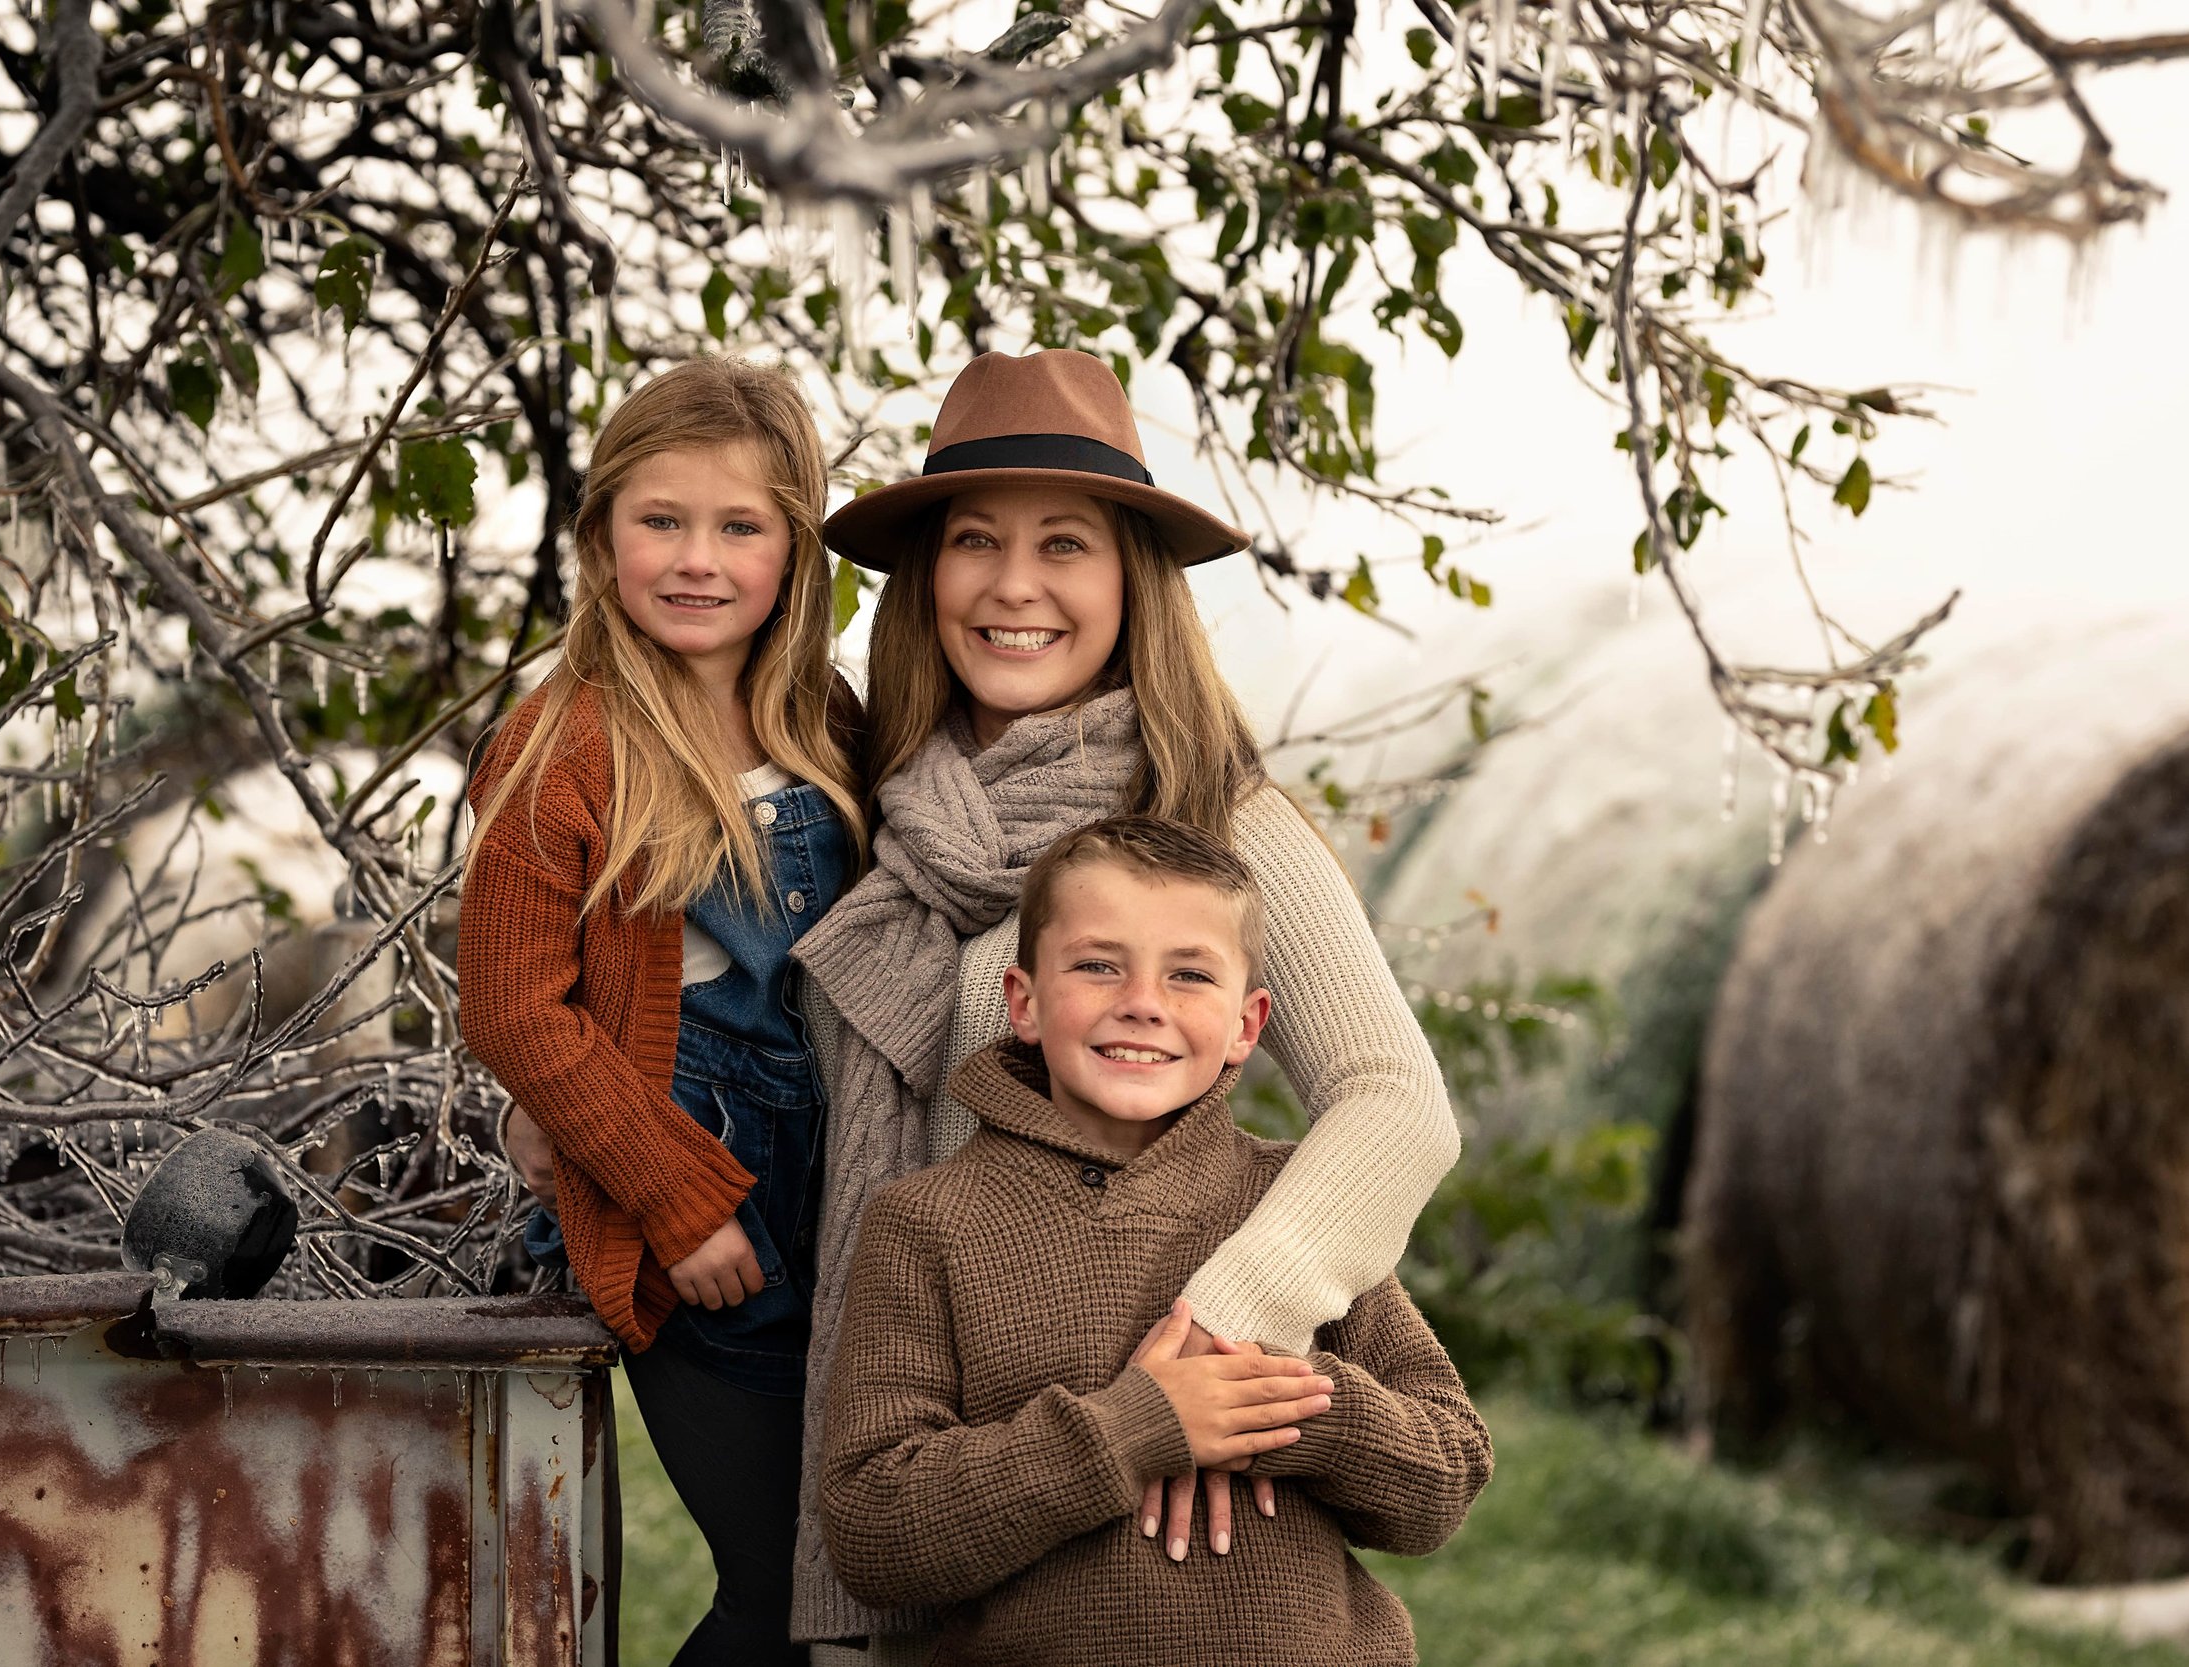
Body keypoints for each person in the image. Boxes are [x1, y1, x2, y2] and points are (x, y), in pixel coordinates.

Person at [790, 348, 1462, 1650]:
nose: (1015, 583)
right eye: (974, 539)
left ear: (1131, 582)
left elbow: (1397, 1101)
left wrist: (1228, 1331)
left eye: (1066, 544)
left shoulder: (1213, 810)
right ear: (928, 572)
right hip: (931, 1444)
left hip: (1164, 1506)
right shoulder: (873, 804)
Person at [818, 816, 1491, 1664]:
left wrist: (1272, 1405)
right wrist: (1135, 1426)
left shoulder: (1296, 1206)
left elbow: (1447, 1473)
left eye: (1189, 974)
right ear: (1021, 1000)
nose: (1143, 1001)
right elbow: (877, 1529)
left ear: (1249, 1025)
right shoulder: (927, 1223)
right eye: (1099, 964)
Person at [457, 357, 864, 1667]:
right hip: (688, 1193)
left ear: (795, 549)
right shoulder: (565, 741)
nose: (699, 559)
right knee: (781, 1589)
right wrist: (676, 1199)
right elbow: (517, 1009)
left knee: (866, 1575)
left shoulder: (823, 717)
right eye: (661, 520)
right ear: (600, 537)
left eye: (740, 526)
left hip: (839, 1175)